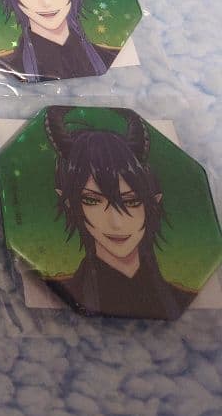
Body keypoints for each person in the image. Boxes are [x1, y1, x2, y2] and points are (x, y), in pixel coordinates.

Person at [43, 106, 195, 320]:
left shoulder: (181, 297)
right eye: (92, 200)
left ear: (153, 203)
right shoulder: (59, 289)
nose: (116, 223)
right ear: (69, 204)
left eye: (131, 201)